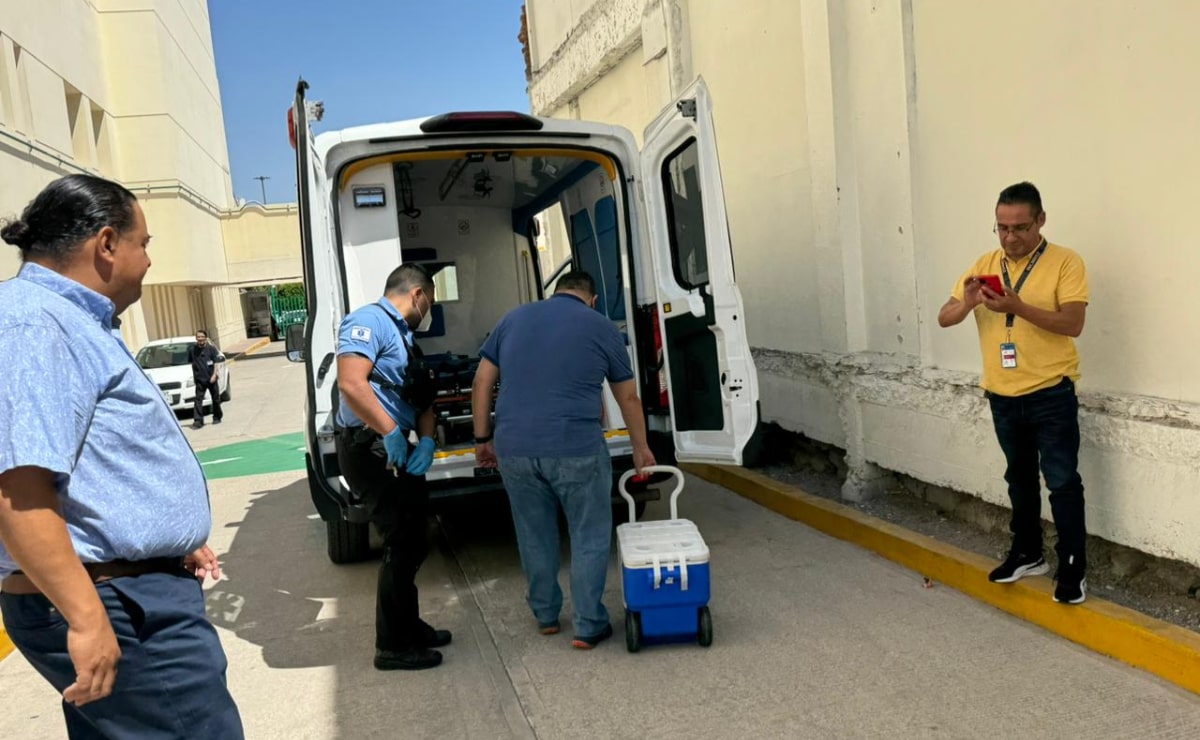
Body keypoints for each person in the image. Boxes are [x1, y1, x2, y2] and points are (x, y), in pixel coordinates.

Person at [0, 174, 244, 737]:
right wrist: (87, 618)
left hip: (125, 590)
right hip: (117, 604)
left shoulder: (68, 321)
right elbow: (19, 489)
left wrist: (162, 536)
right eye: (144, 243)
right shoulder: (36, 322)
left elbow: (90, 464)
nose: (149, 260)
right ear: (106, 244)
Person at [471, 270, 656, 649]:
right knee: (588, 534)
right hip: (576, 447)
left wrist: (481, 439)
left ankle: (546, 616)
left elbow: (481, 383)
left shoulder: (513, 318)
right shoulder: (601, 326)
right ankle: (588, 626)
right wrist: (640, 447)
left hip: (515, 448)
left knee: (534, 534)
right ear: (592, 299)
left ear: (555, 292)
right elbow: (628, 398)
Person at [937, 181, 1090, 605]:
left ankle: (1073, 567)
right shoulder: (985, 263)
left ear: (1040, 220)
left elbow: (1073, 323)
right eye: (1002, 227)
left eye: (1020, 227)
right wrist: (968, 302)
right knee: (1018, 480)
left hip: (1050, 392)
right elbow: (944, 318)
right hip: (1002, 395)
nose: (1010, 237)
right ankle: (1027, 553)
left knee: (1061, 482)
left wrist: (1017, 307)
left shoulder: (1065, 262)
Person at [335, 263, 448, 670]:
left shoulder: (404, 338)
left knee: (416, 536)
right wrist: (389, 431)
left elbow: (421, 396)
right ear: (417, 294)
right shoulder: (368, 321)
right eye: (430, 302)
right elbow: (351, 383)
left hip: (393, 449)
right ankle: (392, 645)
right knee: (402, 540)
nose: (429, 310)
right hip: (370, 449)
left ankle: (408, 624)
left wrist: (429, 438)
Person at [188, 329, 225, 428]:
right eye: (198, 337)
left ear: (205, 338)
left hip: (211, 378)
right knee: (198, 400)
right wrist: (194, 377)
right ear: (196, 338)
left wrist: (215, 375)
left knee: (216, 399)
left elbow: (216, 362)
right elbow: (192, 364)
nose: (200, 338)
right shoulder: (192, 350)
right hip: (200, 380)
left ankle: (217, 417)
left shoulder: (211, 349)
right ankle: (198, 421)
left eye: (202, 337)